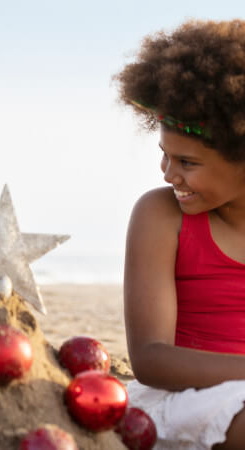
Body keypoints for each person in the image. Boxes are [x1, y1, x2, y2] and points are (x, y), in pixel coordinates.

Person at [117, 19, 245, 450]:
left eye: (187, 162)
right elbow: (150, 359)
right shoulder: (160, 215)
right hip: (180, 400)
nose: (169, 173)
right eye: (164, 155)